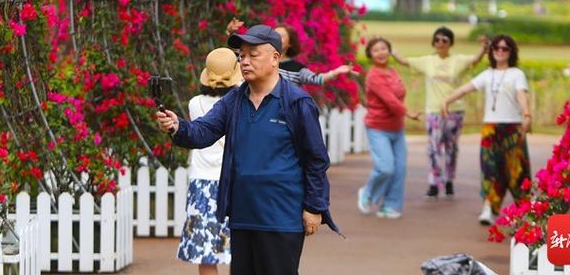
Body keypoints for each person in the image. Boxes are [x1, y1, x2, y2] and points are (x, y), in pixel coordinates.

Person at [157, 24, 337, 275]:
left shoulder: (297, 102)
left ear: (275, 58)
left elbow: (316, 159)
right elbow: (203, 132)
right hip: (242, 214)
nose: (245, 61)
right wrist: (177, 126)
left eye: (254, 54)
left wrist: (314, 207)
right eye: (241, 55)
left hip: (281, 214)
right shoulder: (234, 99)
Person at [440, 34, 531, 226]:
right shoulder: (487, 75)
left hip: (512, 127)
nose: (500, 51)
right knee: (489, 169)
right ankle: (489, 208)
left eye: (505, 48)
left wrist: (527, 114)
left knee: (517, 171)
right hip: (490, 128)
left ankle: (525, 213)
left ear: (511, 52)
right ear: (492, 51)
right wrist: (447, 100)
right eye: (496, 48)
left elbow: (521, 95)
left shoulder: (516, 74)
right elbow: (465, 89)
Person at [393, 26, 488, 199]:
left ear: (450, 43)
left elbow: (476, 60)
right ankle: (434, 183)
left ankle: (449, 180)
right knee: (433, 148)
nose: (440, 43)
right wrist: (390, 50)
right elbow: (405, 62)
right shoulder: (428, 60)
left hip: (454, 111)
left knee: (451, 148)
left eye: (444, 40)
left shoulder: (458, 60)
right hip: (434, 111)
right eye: (437, 40)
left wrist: (484, 47)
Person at [176, 48, 242, 274]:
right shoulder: (240, 104)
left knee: (205, 254)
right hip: (232, 181)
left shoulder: (195, 103)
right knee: (239, 250)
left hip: (201, 183)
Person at [357, 37, 421, 219]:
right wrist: (409, 114)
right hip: (378, 127)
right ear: (370, 55)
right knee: (385, 167)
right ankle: (367, 193)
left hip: (396, 128)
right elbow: (391, 101)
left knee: (399, 169)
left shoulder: (393, 72)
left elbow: (400, 94)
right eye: (376, 50)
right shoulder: (374, 76)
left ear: (389, 51)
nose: (381, 52)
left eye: (384, 48)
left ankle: (390, 205)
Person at [226, 18, 356, 86]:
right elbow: (236, 53)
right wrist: (230, 32)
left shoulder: (297, 68)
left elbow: (317, 79)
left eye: (281, 37)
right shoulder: (255, 60)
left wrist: (336, 72)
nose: (246, 61)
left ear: (290, 43)